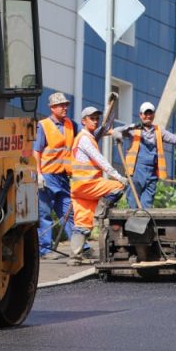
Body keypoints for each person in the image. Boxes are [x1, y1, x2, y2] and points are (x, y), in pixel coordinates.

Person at [112, 101, 176, 208]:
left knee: (147, 206)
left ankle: (144, 224)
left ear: (154, 115)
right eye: (146, 113)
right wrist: (132, 126)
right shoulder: (134, 130)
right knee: (133, 204)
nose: (148, 116)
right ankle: (131, 223)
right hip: (136, 173)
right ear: (141, 115)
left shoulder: (159, 131)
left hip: (151, 174)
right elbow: (116, 131)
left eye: (150, 113)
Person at [70, 106, 128, 266]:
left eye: (96, 118)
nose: (95, 121)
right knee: (117, 186)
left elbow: (104, 130)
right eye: (91, 118)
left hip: (79, 188)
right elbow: (100, 160)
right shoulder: (84, 139)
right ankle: (100, 211)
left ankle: (74, 257)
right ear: (83, 121)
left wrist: (111, 131)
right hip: (87, 184)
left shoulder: (86, 137)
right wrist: (119, 176)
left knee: (82, 222)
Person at [32, 92, 75, 259]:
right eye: (61, 105)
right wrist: (39, 174)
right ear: (52, 108)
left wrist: (107, 130)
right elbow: (36, 151)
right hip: (47, 176)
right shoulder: (43, 126)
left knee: (68, 211)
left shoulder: (70, 125)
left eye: (66, 105)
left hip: (62, 176)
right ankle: (44, 250)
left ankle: (80, 246)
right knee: (44, 213)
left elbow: (88, 134)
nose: (65, 108)